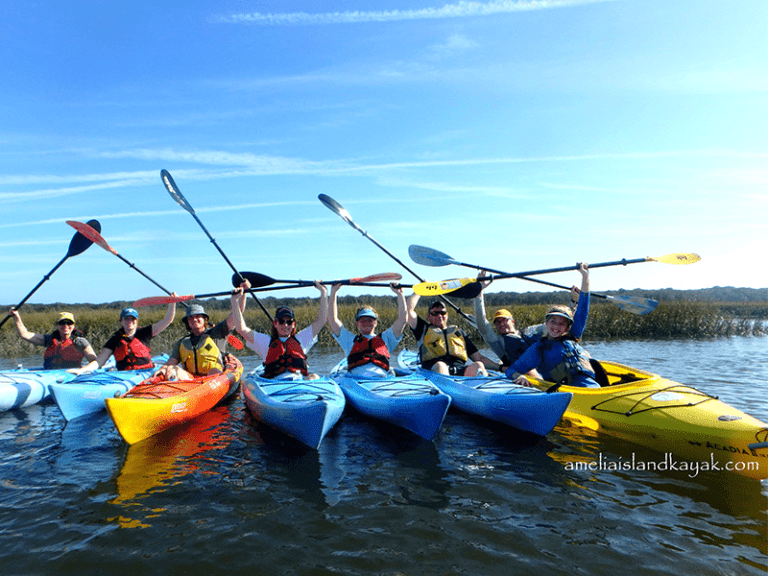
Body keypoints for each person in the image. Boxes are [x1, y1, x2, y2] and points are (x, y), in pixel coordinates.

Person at [506, 263, 599, 388]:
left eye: (561, 323)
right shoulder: (538, 348)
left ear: (567, 328)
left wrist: (585, 276)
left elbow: (583, 310)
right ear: (546, 323)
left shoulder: (574, 334)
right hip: (567, 393)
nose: (556, 326)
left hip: (592, 389)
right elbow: (511, 370)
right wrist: (519, 376)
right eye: (553, 321)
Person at [473, 271, 581, 374]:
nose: (501, 324)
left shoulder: (529, 330)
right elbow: (481, 323)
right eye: (497, 322)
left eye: (504, 320)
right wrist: (479, 292)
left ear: (512, 321)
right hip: (525, 375)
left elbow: (557, 323)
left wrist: (573, 302)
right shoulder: (498, 342)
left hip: (547, 368)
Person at [231, 281, 328, 380]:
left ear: (294, 324)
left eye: (289, 322)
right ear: (275, 323)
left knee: (314, 376)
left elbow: (321, 320)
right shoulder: (265, 342)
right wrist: (235, 300)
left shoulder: (301, 339)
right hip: (275, 385)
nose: (285, 325)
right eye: (281, 321)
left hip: (300, 383)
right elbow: (241, 328)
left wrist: (323, 293)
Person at [69, 301, 176, 375]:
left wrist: (172, 303)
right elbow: (99, 362)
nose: (130, 321)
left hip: (146, 373)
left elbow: (167, 320)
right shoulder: (115, 339)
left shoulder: (145, 333)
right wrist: (82, 370)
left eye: (132, 319)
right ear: (121, 321)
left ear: (136, 321)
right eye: (126, 319)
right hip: (124, 375)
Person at [328, 283, 407, 377]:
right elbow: (332, 319)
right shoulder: (349, 340)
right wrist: (333, 292)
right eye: (363, 320)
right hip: (357, 382)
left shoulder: (386, 338)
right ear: (357, 324)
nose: (366, 322)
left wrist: (400, 294)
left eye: (370, 320)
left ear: (376, 323)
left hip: (382, 382)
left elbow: (402, 319)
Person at [406, 295, 495, 377]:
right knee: (441, 366)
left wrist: (501, 367)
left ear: (447, 315)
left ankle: (481, 390)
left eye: (442, 312)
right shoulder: (423, 330)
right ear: (429, 316)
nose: (439, 315)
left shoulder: (459, 333)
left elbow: (479, 358)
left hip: (458, 370)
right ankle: (449, 390)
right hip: (433, 370)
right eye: (435, 313)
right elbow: (408, 310)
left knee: (478, 365)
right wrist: (419, 291)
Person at [154, 298, 238, 381]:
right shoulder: (182, 342)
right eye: (190, 318)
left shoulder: (217, 334)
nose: (194, 319)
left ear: (204, 319)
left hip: (214, 380)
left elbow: (235, 315)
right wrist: (162, 369)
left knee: (214, 371)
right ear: (187, 322)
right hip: (192, 381)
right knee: (172, 368)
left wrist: (238, 297)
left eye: (198, 316)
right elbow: (171, 361)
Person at [8, 308, 98, 370]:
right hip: (49, 375)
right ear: (58, 326)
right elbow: (25, 334)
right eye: (62, 323)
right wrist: (16, 317)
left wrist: (84, 371)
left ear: (73, 326)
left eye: (69, 323)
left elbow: (95, 362)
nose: (65, 326)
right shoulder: (49, 339)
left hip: (71, 376)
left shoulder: (80, 342)